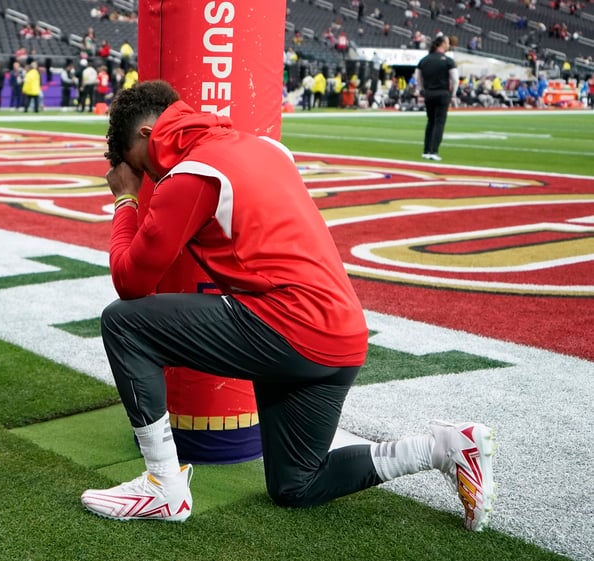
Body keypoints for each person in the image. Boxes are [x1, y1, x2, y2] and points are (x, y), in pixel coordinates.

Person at [80, 80, 497, 531]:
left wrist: (125, 198)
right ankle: (443, 447)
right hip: (340, 334)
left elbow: (130, 281)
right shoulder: (265, 147)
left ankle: (163, 486)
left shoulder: (190, 172)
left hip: (288, 325)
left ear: (145, 136)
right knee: (295, 485)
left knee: (123, 324)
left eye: (137, 166)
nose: (144, 177)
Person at [415, 35, 458, 161]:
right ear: (443, 44)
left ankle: (426, 150)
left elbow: (418, 78)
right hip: (442, 93)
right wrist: (453, 93)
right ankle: (434, 151)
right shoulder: (448, 61)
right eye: (448, 42)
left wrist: (422, 90)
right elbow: (455, 79)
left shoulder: (424, 60)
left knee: (430, 121)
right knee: (439, 122)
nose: (449, 45)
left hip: (429, 93)